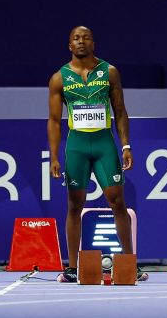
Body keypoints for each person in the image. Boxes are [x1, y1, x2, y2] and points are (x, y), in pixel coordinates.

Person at [47, 27, 142, 283]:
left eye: (85, 37)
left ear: (93, 42)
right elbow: (55, 121)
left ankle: (129, 262)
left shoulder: (109, 72)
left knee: (117, 201)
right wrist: (54, 156)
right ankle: (72, 267)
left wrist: (125, 146)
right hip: (77, 144)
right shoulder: (59, 78)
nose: (81, 41)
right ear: (69, 45)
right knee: (74, 205)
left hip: (104, 143)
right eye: (76, 38)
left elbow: (120, 111)